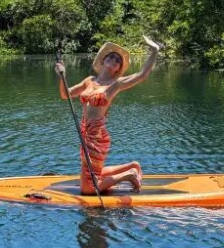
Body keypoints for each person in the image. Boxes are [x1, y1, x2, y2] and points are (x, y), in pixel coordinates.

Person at [55, 36, 160, 195]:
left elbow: (142, 75)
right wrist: (61, 75)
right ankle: (132, 166)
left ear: (118, 68)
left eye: (118, 60)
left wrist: (154, 51)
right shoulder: (89, 81)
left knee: (88, 189)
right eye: (110, 56)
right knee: (96, 173)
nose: (114, 59)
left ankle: (128, 175)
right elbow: (66, 95)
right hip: (85, 133)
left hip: (97, 136)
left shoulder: (115, 85)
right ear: (103, 60)